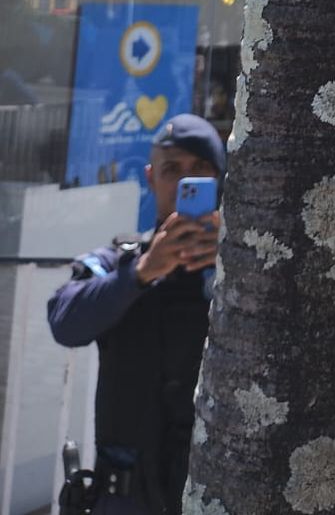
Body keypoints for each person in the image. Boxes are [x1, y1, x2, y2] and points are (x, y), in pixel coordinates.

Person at [48, 114, 225, 515]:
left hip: (212, 493)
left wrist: (233, 264)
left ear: (219, 178)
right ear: (151, 177)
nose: (184, 181)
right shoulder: (117, 262)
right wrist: (142, 273)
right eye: (172, 169)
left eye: (199, 170)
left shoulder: (245, 267)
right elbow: (64, 322)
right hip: (123, 498)